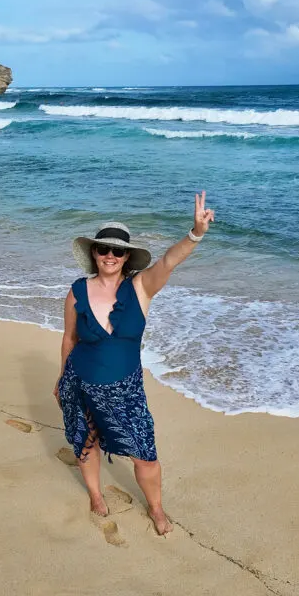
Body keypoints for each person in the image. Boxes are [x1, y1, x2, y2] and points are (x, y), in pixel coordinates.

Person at [54, 191, 214, 536]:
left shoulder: (141, 287)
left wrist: (196, 232)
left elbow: (170, 261)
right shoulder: (77, 290)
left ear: (127, 257)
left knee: (144, 454)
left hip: (126, 390)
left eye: (118, 251)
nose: (110, 255)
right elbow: (69, 339)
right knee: (85, 442)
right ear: (94, 253)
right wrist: (60, 378)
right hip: (79, 381)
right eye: (103, 249)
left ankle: (156, 508)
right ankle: (96, 495)